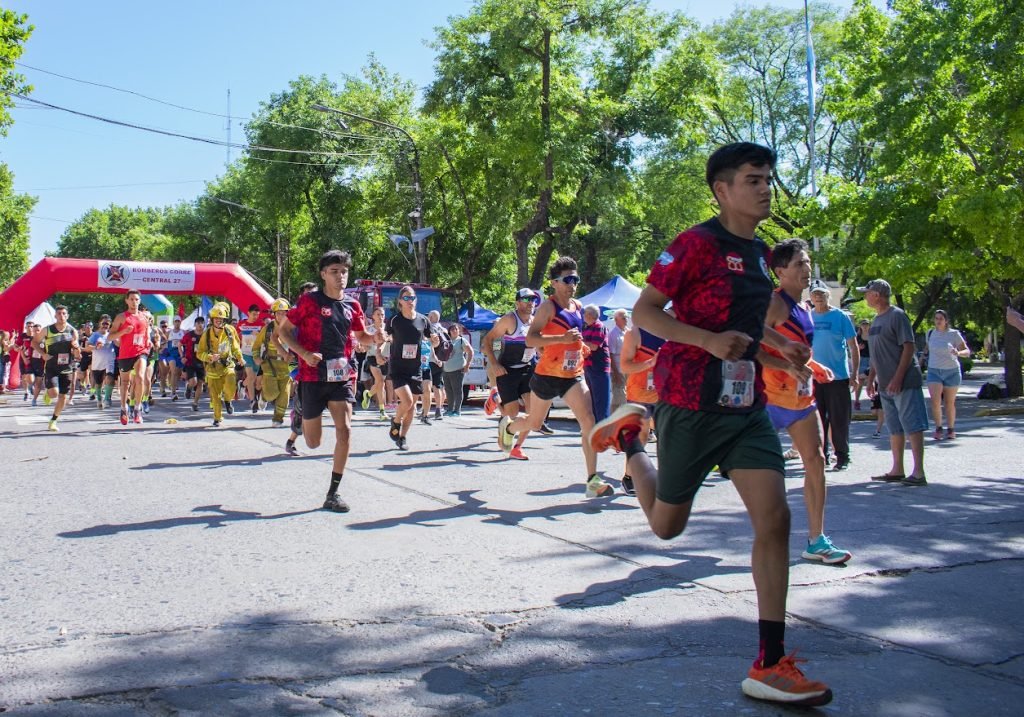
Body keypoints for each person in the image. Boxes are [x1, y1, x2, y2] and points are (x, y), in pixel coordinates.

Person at [590, 143, 832, 707]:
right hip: (689, 402)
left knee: (775, 517)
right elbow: (649, 312)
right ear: (723, 190)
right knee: (667, 527)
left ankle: (770, 663)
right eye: (753, 180)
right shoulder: (693, 245)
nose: (765, 188)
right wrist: (706, 341)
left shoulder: (758, 255)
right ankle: (630, 441)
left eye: (768, 179)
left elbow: (746, 333)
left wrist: (779, 355)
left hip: (744, 410)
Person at [761, 239, 851, 564]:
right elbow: (751, 336)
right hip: (767, 398)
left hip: (800, 399)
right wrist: (785, 362)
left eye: (808, 261)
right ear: (780, 271)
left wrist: (814, 366)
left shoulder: (805, 309)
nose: (807, 268)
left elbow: (800, 350)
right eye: (800, 263)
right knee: (765, 473)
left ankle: (817, 540)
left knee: (816, 461)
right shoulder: (773, 304)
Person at [502, 258, 614, 498]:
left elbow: (576, 337)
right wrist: (560, 340)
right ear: (554, 283)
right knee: (534, 423)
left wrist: (579, 346)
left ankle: (592, 481)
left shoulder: (579, 306)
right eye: (567, 280)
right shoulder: (547, 308)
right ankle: (509, 427)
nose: (572, 284)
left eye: (575, 279)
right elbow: (531, 339)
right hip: (546, 376)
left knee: (589, 420)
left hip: (573, 375)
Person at [277, 250, 369, 512]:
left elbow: (361, 336)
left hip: (341, 375)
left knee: (346, 429)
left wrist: (375, 338)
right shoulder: (309, 302)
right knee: (313, 442)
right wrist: (304, 353)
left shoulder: (353, 305)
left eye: (344, 271)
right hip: (312, 376)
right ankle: (301, 410)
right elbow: (283, 331)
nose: (340, 276)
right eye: (334, 271)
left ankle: (333, 493)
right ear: (323, 274)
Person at [861, 279, 928, 486]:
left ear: (877, 295)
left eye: (867, 292)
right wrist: (871, 379)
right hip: (885, 384)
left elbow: (908, 348)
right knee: (895, 427)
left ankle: (918, 472)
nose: (865, 296)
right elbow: (876, 354)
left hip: (904, 382)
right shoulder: (876, 320)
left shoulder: (897, 316)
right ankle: (897, 469)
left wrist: (898, 378)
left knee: (912, 425)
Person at [482, 288, 540, 460]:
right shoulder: (509, 320)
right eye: (526, 299)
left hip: (528, 369)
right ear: (517, 302)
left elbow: (539, 346)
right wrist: (495, 364)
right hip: (507, 370)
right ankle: (496, 401)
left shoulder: (535, 322)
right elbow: (488, 340)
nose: (531, 302)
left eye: (533, 299)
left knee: (533, 412)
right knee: (512, 413)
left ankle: (518, 447)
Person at [808, 279, 859, 471]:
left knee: (839, 418)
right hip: (814, 377)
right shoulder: (808, 317)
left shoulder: (840, 317)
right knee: (818, 420)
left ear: (828, 295)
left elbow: (853, 346)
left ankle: (843, 456)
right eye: (815, 294)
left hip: (837, 377)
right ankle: (823, 456)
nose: (818, 297)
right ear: (810, 298)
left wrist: (854, 374)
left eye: (822, 294)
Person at [386, 285, 437, 450]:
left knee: (412, 406)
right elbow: (386, 336)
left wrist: (435, 341)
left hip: (415, 368)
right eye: (406, 298)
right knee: (406, 401)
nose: (410, 301)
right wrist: (382, 344)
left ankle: (402, 437)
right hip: (398, 367)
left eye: (412, 298)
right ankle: (395, 421)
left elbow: (432, 338)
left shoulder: (423, 320)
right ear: (400, 301)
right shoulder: (394, 320)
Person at [616, 323, 664, 496]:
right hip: (640, 394)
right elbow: (625, 366)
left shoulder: (672, 331)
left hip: (665, 394)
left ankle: (665, 479)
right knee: (640, 436)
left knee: (666, 437)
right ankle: (629, 478)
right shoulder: (635, 333)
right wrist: (651, 362)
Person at [922, 309, 969, 441]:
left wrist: (958, 353)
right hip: (934, 370)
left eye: (941, 319)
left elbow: (967, 351)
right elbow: (927, 349)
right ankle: (938, 428)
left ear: (946, 320)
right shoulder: (930, 333)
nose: (938, 321)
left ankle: (951, 429)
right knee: (935, 402)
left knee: (949, 402)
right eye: (936, 318)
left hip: (951, 371)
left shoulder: (954, 334)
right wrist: (920, 361)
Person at [107, 290, 151, 425]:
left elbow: (147, 332)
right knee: (125, 383)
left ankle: (137, 409)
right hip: (126, 353)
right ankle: (123, 408)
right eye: (131, 299)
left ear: (139, 301)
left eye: (136, 299)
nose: (134, 302)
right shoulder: (121, 317)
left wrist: (148, 340)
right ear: (126, 301)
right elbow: (110, 337)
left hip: (141, 351)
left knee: (140, 377)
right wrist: (123, 332)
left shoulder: (144, 317)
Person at [196, 305, 243, 427]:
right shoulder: (206, 334)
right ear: (212, 320)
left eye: (221, 318)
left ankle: (228, 400)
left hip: (227, 365)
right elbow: (199, 353)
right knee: (215, 395)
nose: (219, 320)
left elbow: (236, 346)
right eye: (216, 318)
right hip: (213, 369)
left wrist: (240, 358)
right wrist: (209, 357)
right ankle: (217, 417)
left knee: (231, 385)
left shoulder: (230, 330)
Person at [36, 305, 81, 432]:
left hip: (67, 366)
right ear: (55, 316)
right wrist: (43, 353)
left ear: (67, 316)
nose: (62, 316)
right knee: (53, 393)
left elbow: (77, 355)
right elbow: (35, 342)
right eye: (59, 314)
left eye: (64, 313)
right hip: (51, 366)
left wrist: (76, 347)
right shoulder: (47, 330)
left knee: (63, 396)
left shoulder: (72, 331)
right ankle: (48, 392)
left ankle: (53, 420)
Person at [252, 299, 294, 427]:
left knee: (285, 394)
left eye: (284, 313)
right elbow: (256, 346)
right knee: (271, 394)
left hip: (287, 366)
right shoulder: (268, 328)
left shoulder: (293, 327)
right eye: (278, 313)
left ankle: (278, 418)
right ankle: (264, 397)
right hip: (270, 364)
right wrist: (257, 358)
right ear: (274, 314)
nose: (281, 316)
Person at [582, 304, 612, 423]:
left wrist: (580, 342)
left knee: (601, 401)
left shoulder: (599, 326)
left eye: (585, 313)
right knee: (592, 401)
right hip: (588, 367)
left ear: (590, 315)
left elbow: (594, 346)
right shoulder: (586, 327)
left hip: (599, 367)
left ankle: (603, 429)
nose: (583, 315)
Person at [359, 306, 389, 421]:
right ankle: (382, 411)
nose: (380, 317)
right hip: (372, 358)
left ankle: (369, 394)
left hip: (386, 358)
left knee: (381, 384)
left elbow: (393, 340)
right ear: (373, 316)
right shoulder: (368, 330)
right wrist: (363, 347)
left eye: (382, 315)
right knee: (380, 382)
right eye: (378, 314)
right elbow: (362, 345)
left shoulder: (388, 329)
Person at [236, 304, 265, 413]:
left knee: (254, 380)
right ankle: (253, 401)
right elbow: (235, 338)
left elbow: (266, 339)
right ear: (248, 313)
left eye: (257, 315)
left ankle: (242, 384)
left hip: (257, 354)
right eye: (253, 314)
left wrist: (258, 335)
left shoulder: (261, 325)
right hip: (245, 354)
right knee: (251, 377)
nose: (255, 317)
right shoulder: (241, 324)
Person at [441, 323, 473, 417]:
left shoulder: (462, 340)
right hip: (446, 370)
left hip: (458, 369)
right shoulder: (447, 341)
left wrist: (467, 365)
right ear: (449, 331)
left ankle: (457, 410)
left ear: (459, 331)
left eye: (456, 329)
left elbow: (470, 352)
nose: (454, 331)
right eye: (452, 329)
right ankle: (450, 409)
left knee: (457, 390)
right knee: (449, 391)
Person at [87, 316, 116, 409]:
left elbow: (119, 343)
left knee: (110, 378)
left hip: (109, 361)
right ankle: (99, 399)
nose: (105, 325)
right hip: (97, 363)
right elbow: (88, 347)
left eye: (107, 324)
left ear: (110, 325)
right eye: (103, 323)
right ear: (100, 323)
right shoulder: (95, 335)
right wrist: (96, 347)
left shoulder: (111, 335)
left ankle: (107, 399)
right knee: (98, 383)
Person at [180, 317, 207, 412]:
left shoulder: (206, 335)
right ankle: (189, 387)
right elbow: (180, 344)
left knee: (200, 384)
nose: (200, 325)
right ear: (195, 325)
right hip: (190, 362)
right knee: (194, 382)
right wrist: (182, 356)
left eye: (202, 323)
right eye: (198, 323)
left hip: (202, 362)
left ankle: (195, 403)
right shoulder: (189, 335)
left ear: (204, 325)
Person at [426, 310, 447, 420]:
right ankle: (439, 409)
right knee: (438, 385)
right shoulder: (444, 329)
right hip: (442, 360)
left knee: (427, 386)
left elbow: (431, 346)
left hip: (431, 360)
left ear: (431, 317)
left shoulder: (430, 329)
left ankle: (426, 411)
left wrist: (435, 358)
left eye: (429, 316)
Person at [607, 309, 629, 411]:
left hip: (628, 368)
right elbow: (610, 354)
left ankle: (613, 420)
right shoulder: (613, 334)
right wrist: (615, 373)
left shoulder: (627, 332)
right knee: (621, 396)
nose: (626, 319)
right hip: (619, 369)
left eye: (626, 317)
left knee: (621, 397)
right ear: (616, 320)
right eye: (624, 318)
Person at [853, 319, 871, 410]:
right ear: (860, 326)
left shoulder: (872, 336)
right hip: (862, 359)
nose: (865, 326)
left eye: (866, 324)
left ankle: (874, 399)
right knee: (860, 381)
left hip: (872, 360)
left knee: (872, 380)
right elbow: (853, 349)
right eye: (863, 324)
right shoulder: (858, 337)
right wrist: (859, 348)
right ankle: (857, 400)